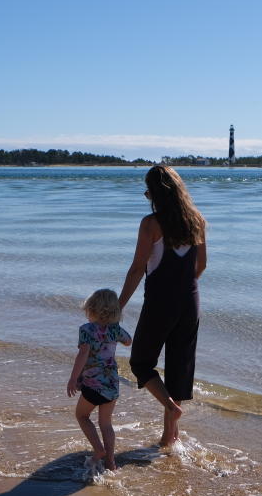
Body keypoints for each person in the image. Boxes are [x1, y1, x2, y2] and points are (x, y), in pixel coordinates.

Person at [119, 165, 207, 447]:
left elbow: (136, 269)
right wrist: (184, 289)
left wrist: (118, 307)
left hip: (160, 302)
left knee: (141, 363)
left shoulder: (151, 224)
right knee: (179, 369)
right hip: (190, 301)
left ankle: (170, 408)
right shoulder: (196, 220)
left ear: (154, 193)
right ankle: (169, 436)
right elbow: (201, 265)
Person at [66, 288, 132, 471]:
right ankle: (111, 462)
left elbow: (83, 354)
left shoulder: (86, 330)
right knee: (106, 424)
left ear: (91, 309)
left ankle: (99, 450)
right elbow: (129, 341)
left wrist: (73, 379)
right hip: (112, 386)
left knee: (82, 415)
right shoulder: (115, 330)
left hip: (93, 386)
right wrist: (115, 326)